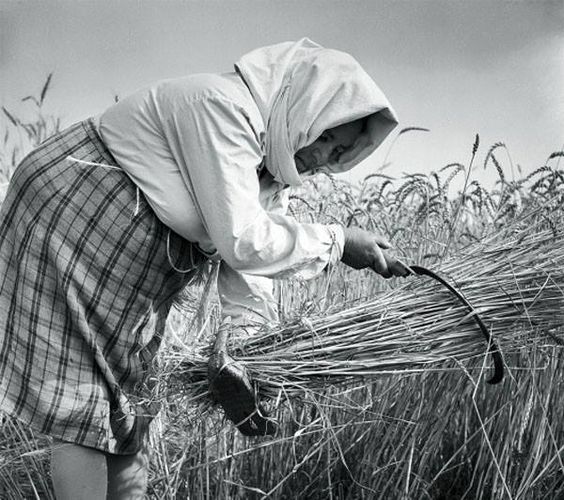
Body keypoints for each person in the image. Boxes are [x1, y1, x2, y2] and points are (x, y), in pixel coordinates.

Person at [0, 38, 409, 499]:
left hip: (127, 249)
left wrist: (248, 350)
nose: (321, 157)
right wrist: (338, 242)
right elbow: (243, 240)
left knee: (131, 404)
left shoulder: (269, 168)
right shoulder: (223, 110)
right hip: (78, 211)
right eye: (325, 135)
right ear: (302, 107)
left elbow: (251, 266)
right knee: (86, 396)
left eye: (338, 151)